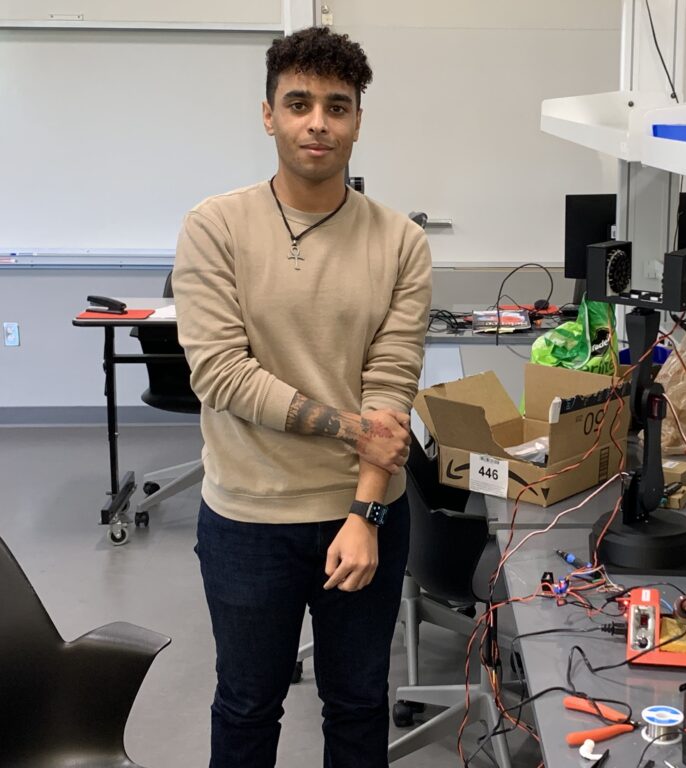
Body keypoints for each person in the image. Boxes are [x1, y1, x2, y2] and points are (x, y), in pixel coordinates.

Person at [172, 26, 432, 768]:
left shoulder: (400, 242)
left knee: (356, 705)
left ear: (356, 120)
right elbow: (220, 372)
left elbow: (392, 379)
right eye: (299, 103)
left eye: (336, 106)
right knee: (248, 706)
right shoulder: (215, 226)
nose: (317, 121)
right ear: (269, 115)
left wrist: (365, 512)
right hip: (248, 519)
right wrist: (350, 429)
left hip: (363, 515)